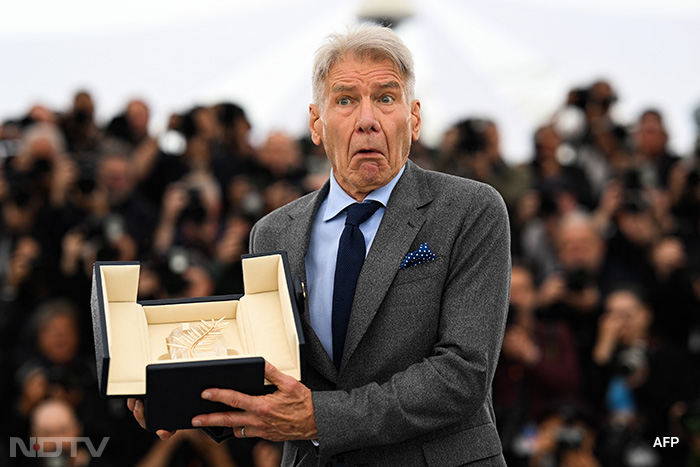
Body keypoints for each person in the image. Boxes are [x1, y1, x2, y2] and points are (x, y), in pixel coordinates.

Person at [129, 23, 511, 466]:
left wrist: (320, 419)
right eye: (345, 100)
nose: (367, 119)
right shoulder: (272, 233)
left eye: (386, 98)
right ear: (316, 123)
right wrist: (187, 399)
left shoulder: (471, 209)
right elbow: (274, 379)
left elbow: (463, 373)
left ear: (415, 117)